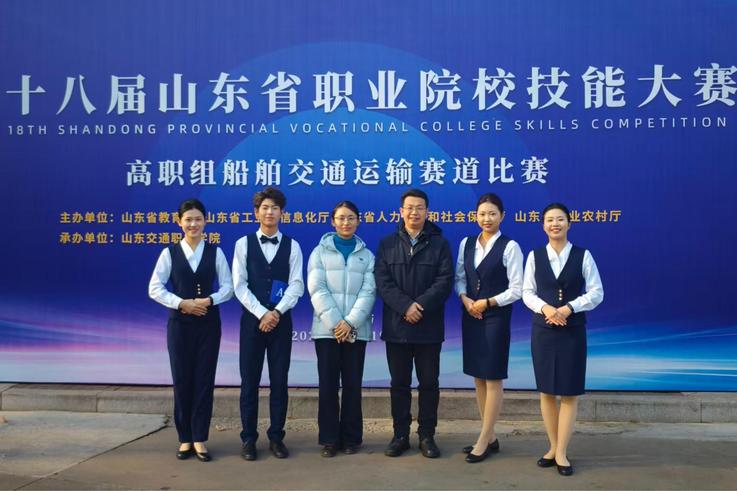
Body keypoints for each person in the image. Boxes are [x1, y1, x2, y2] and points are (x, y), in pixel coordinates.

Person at [148, 198, 233, 462]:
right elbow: (155, 288)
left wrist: (209, 300)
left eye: (198, 219)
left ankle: (199, 438)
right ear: (179, 222)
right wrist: (181, 303)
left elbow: (228, 287)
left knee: (204, 380)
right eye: (188, 220)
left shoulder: (216, 252)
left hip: (208, 324)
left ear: (205, 221)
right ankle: (184, 438)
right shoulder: (169, 253)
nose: (193, 224)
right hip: (179, 326)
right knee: (182, 379)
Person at [522, 202, 604, 476]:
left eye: (560, 219)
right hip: (543, 330)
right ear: (543, 225)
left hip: (572, 331)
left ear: (569, 224)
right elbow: (527, 292)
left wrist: (569, 308)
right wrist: (546, 308)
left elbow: (596, 292)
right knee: (546, 391)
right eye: (549, 220)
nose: (555, 224)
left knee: (569, 392)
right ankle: (552, 446)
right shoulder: (534, 256)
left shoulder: (583, 255)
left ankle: (562, 452)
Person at [375, 188, 454, 458]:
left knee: (429, 384)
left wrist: (419, 306)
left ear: (427, 211)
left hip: (428, 327)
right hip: (397, 327)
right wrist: (405, 307)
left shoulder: (440, 244)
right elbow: (382, 282)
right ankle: (400, 435)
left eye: (419, 207)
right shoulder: (387, 244)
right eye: (409, 207)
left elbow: (444, 281)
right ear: (401, 211)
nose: (414, 212)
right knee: (399, 384)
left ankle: (427, 436)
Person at [232, 187, 304, 461]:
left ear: (282, 213)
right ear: (256, 212)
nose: (270, 212)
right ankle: (248, 439)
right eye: (265, 208)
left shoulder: (293, 246)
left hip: (281, 324)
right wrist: (262, 313)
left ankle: (276, 437)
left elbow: (297, 285)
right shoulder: (243, 244)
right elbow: (239, 286)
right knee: (249, 382)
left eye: (275, 208)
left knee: (279, 381)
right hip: (252, 323)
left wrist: (276, 313)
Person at [454, 193, 523, 463]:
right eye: (482, 214)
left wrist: (489, 302)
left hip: (495, 317)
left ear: (502, 216)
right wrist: (464, 298)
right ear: (475, 216)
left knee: (493, 377)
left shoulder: (510, 247)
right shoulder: (466, 243)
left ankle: (483, 439)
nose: (487, 219)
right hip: (471, 313)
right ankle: (490, 436)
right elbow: (460, 277)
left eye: (492, 214)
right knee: (478, 377)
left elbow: (516, 289)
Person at [307, 200, 376, 458]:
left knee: (352, 386)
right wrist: (337, 323)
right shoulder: (319, 253)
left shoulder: (367, 255)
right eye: (341, 218)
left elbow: (369, 291)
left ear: (358, 221)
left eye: (351, 218)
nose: (346, 223)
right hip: (327, 331)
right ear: (332, 221)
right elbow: (317, 288)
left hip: (356, 331)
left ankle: (351, 438)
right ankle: (329, 439)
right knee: (327, 386)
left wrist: (350, 323)